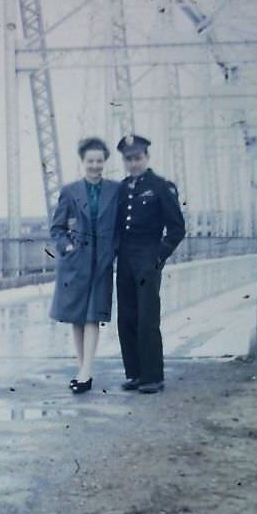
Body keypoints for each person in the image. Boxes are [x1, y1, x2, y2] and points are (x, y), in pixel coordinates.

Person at [114, 134, 186, 394]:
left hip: (148, 259)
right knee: (126, 318)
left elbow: (177, 228)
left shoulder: (160, 187)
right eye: (128, 159)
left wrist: (158, 256)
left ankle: (152, 377)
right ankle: (134, 373)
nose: (133, 164)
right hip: (125, 261)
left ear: (147, 157)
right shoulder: (122, 188)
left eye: (137, 158)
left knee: (147, 318)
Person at [50, 137, 120, 394]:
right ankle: (83, 370)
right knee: (77, 318)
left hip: (101, 262)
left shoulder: (116, 190)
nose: (95, 166)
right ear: (83, 161)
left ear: (105, 162)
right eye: (90, 161)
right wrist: (67, 248)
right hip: (76, 263)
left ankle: (86, 372)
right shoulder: (70, 191)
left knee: (93, 316)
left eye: (99, 161)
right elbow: (57, 228)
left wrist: (113, 250)